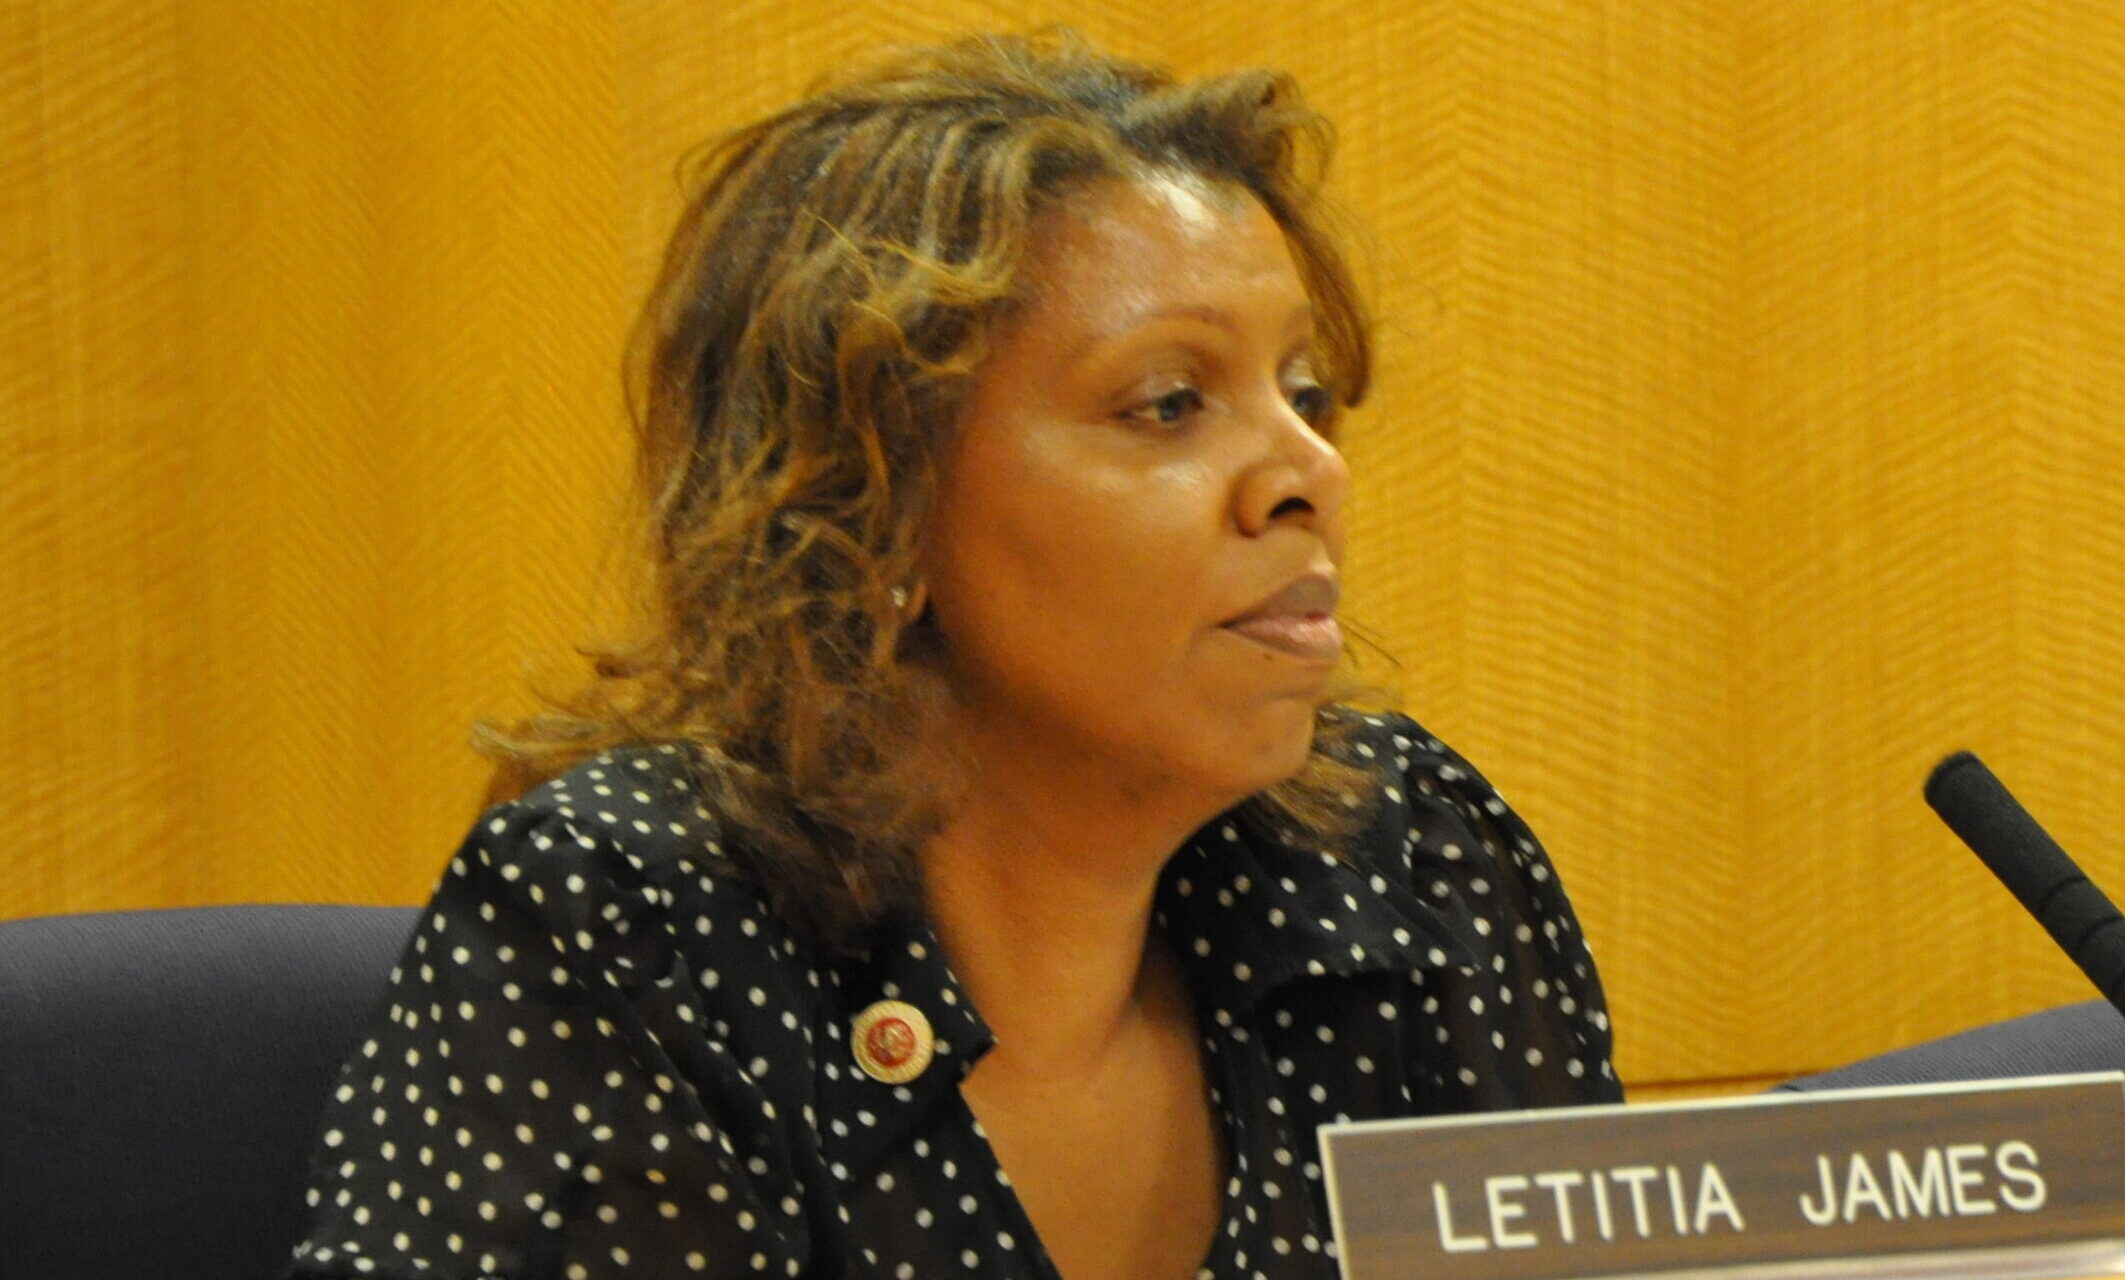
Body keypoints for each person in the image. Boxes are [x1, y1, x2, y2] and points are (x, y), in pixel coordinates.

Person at [288, 29, 1618, 1280]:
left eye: (1306, 392)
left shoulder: (1410, 866)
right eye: (1170, 403)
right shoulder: (629, 928)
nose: (1308, 471)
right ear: (876, 506)